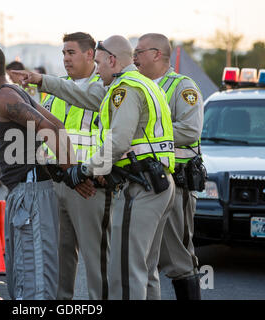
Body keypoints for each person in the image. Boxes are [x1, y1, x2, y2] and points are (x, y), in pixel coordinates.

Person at [13, 35, 176, 300]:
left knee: (125, 271)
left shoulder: (125, 89)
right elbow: (79, 94)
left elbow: (119, 140)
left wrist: (85, 169)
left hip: (141, 185)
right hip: (155, 181)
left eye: (99, 63)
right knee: (144, 270)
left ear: (112, 60)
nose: (97, 70)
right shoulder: (137, 85)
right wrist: (41, 80)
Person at [0, 44, 83, 300]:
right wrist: (70, 170)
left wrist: (72, 173)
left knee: (32, 280)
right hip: (29, 191)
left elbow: (51, 130)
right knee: (24, 273)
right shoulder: (14, 92)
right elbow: (58, 125)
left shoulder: (5, 98)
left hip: (30, 193)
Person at [41, 32, 112, 300]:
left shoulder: (105, 88)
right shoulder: (56, 87)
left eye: (71, 53)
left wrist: (92, 173)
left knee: (97, 258)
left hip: (88, 187)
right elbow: (44, 135)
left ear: (89, 54)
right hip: (57, 183)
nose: (66, 59)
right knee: (59, 256)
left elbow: (111, 137)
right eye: (63, 53)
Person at [133, 33, 204, 300]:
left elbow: (190, 130)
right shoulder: (138, 85)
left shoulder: (182, 86)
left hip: (178, 181)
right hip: (145, 182)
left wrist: (144, 131)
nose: (135, 57)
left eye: (139, 52)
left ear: (157, 54)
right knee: (146, 258)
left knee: (178, 257)